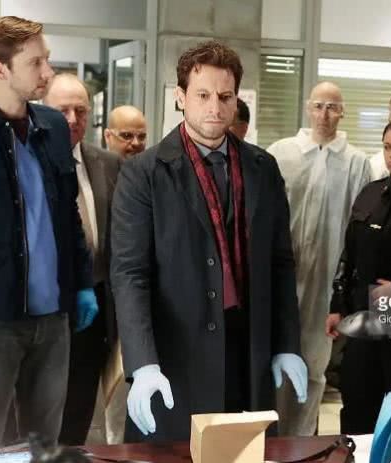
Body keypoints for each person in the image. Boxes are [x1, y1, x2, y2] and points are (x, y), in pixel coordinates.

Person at [110, 40, 307, 442]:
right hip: (175, 355)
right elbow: (130, 273)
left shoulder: (263, 168)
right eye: (202, 96)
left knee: (243, 453)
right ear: (181, 98)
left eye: (225, 96)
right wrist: (142, 363)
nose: (215, 107)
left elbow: (281, 263)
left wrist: (287, 343)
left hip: (248, 351)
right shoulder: (144, 173)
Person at [0, 16, 97, 445]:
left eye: (46, 59)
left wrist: (83, 284)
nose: (47, 72)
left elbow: (68, 215)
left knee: (43, 441)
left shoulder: (52, 126)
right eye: (36, 63)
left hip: (53, 319)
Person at [267, 81, 371, 436]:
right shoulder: (281, 153)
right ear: (307, 108)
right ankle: (269, 441)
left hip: (327, 276)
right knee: (273, 357)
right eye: (319, 106)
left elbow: (358, 225)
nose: (325, 114)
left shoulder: (356, 162)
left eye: (332, 107)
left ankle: (300, 441)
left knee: (314, 363)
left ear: (342, 112)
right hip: (281, 272)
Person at [325, 121, 391, 433]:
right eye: (388, 147)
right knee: (356, 394)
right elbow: (348, 253)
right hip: (362, 312)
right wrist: (337, 305)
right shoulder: (370, 193)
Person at [42, 73, 122, 445]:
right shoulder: (26, 160)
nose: (73, 119)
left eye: (81, 111)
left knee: (79, 410)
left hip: (95, 310)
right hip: (43, 311)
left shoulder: (109, 164)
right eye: (63, 110)